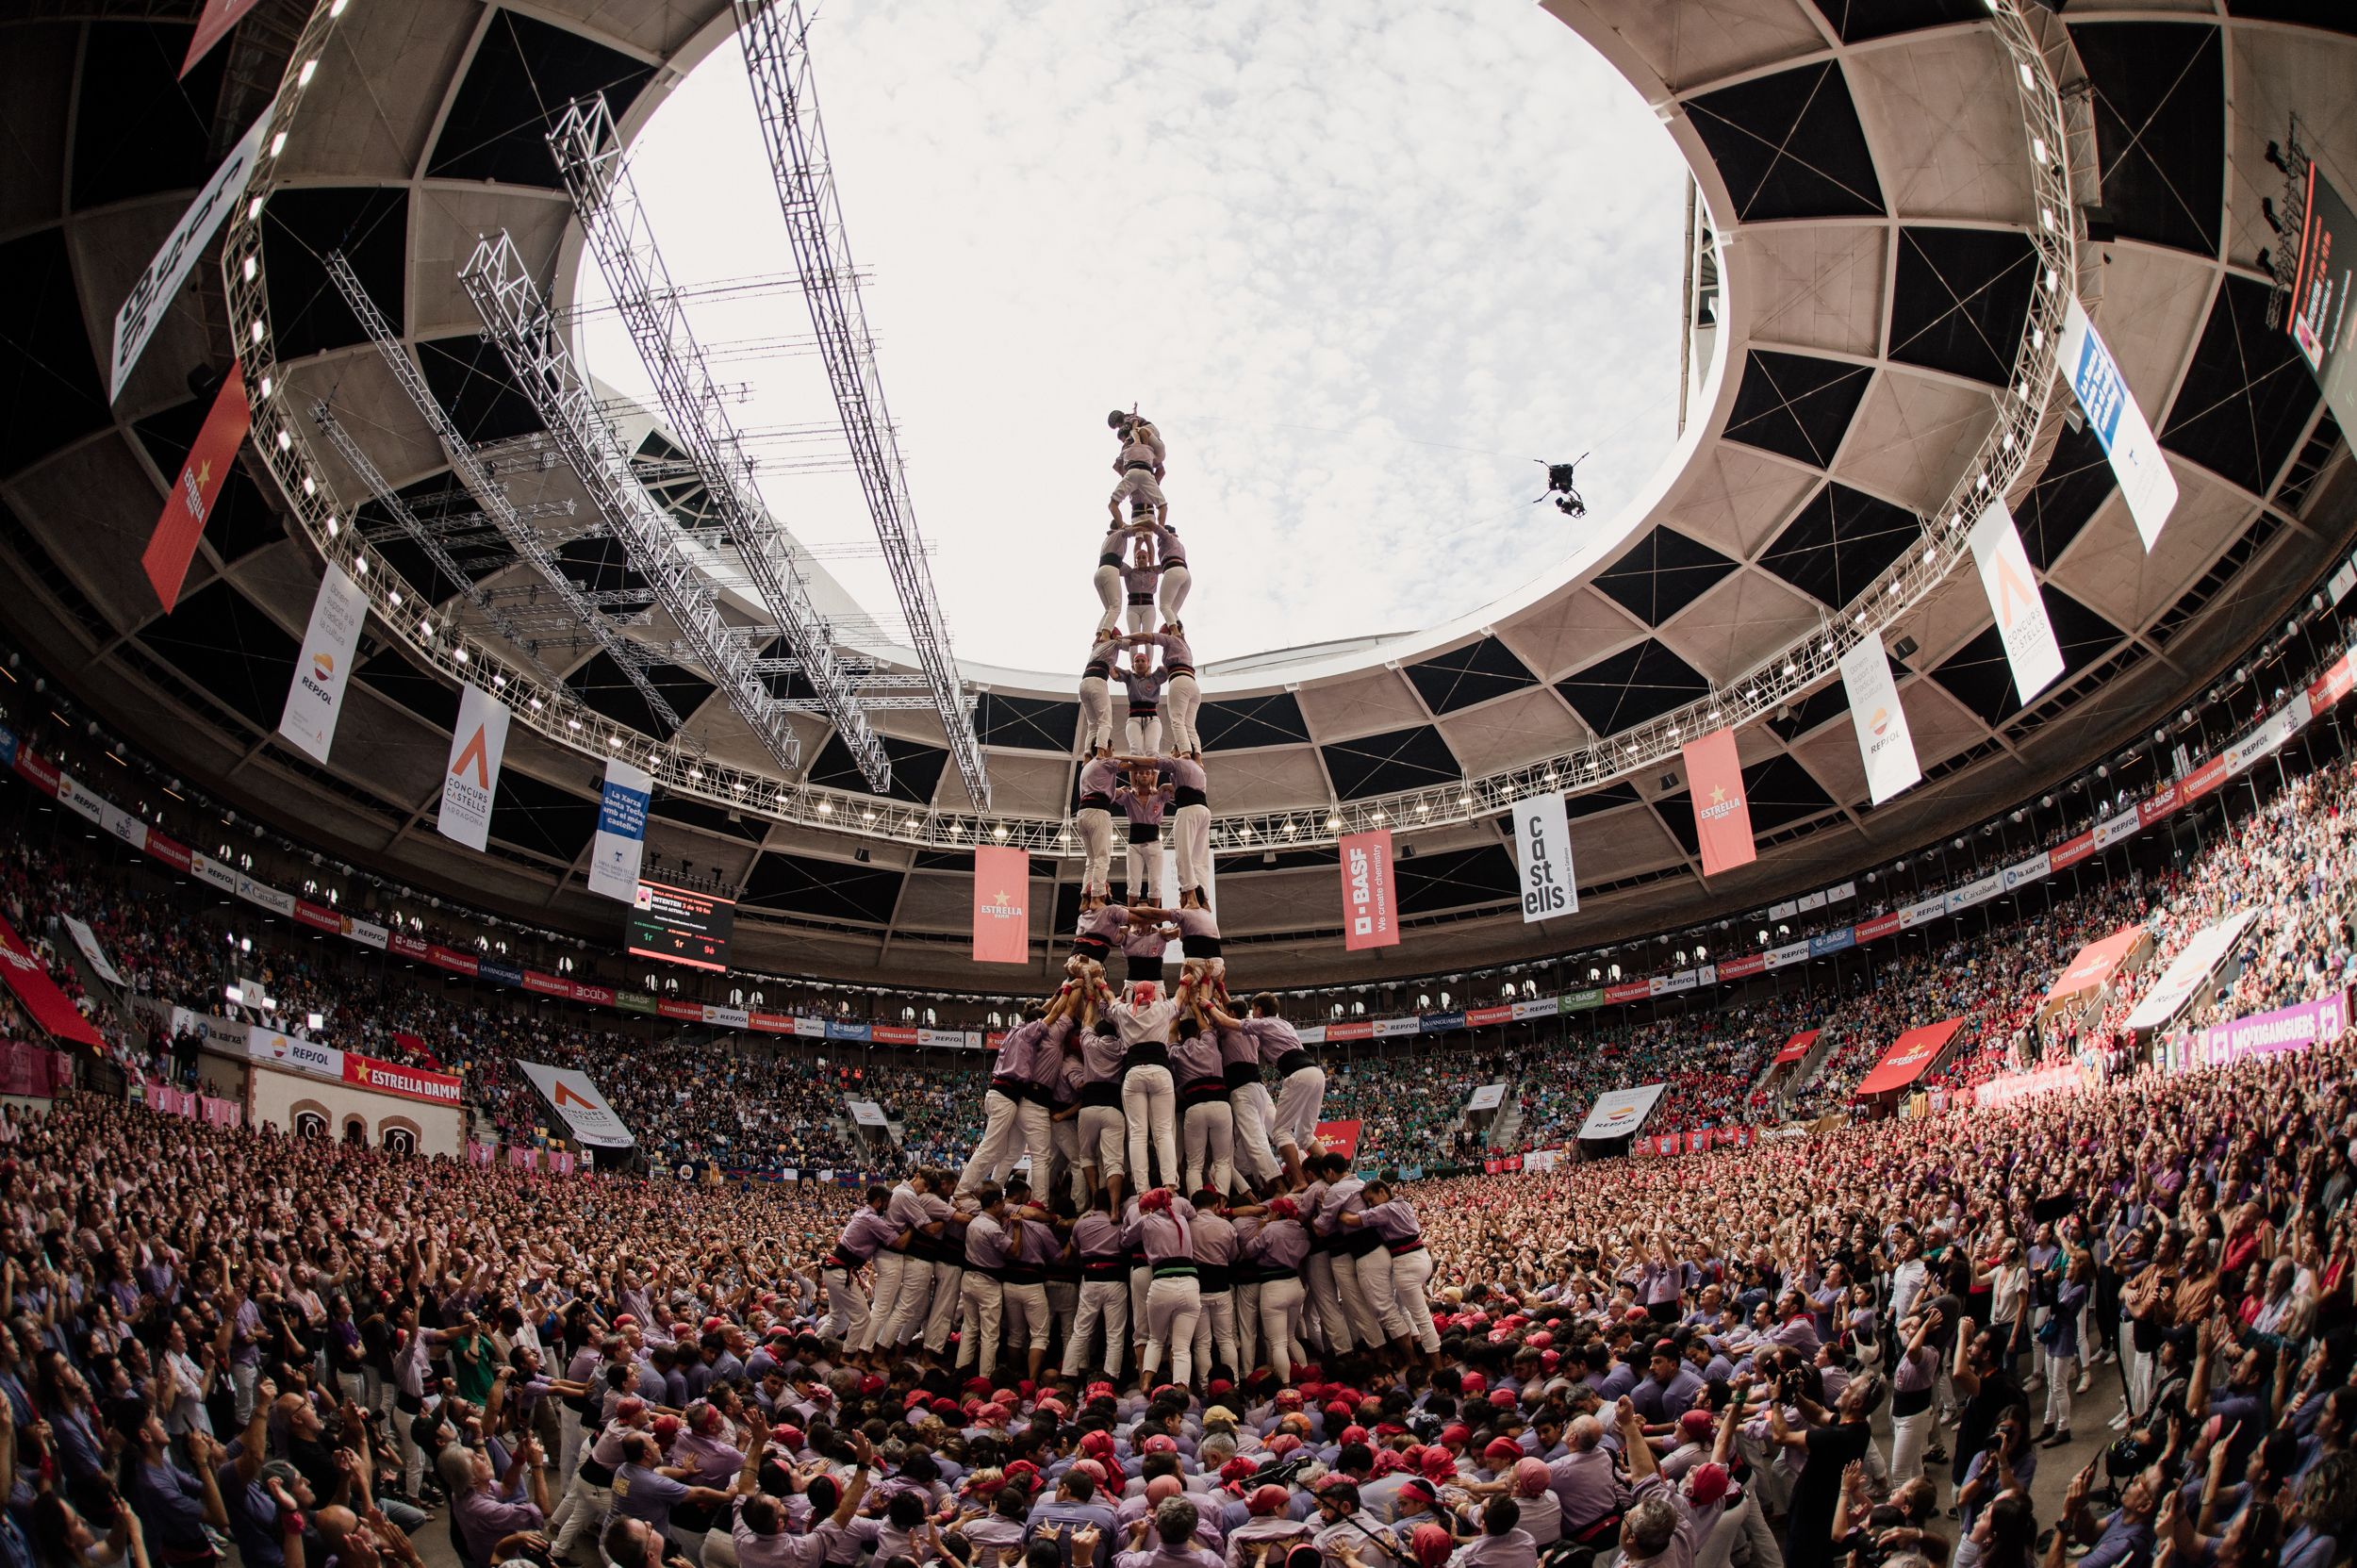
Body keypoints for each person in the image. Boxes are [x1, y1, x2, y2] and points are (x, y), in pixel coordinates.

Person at [1109, 412, 1168, 532]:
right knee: (1162, 506)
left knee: (1113, 504)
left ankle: (1122, 527)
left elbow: (1116, 466)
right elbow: (1162, 472)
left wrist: (1134, 443)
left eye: (1118, 426)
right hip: (1150, 461)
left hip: (1146, 449)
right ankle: (1161, 532)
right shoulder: (1148, 482)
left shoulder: (1130, 442)